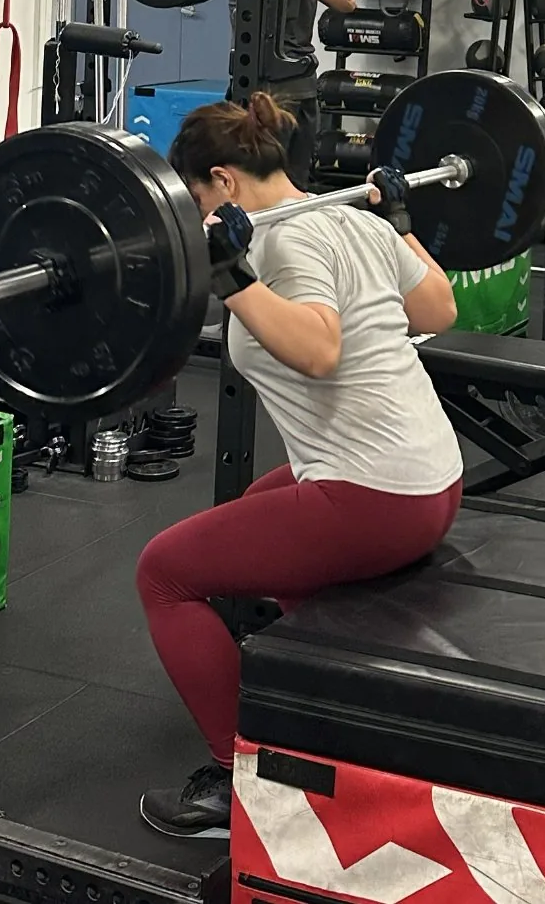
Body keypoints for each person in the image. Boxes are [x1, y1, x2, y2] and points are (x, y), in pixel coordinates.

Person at [134, 93, 464, 839]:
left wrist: (232, 278)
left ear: (222, 179)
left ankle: (237, 782)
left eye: (193, 196)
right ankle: (319, 708)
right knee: (255, 504)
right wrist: (400, 228)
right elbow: (438, 308)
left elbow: (319, 349)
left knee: (163, 572)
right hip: (435, 479)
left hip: (377, 494)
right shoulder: (352, 217)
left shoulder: (286, 244)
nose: (192, 212)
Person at [224, 0, 357, 189]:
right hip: (305, 94)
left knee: (255, 183)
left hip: (263, 96)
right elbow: (347, 0)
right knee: (294, 186)